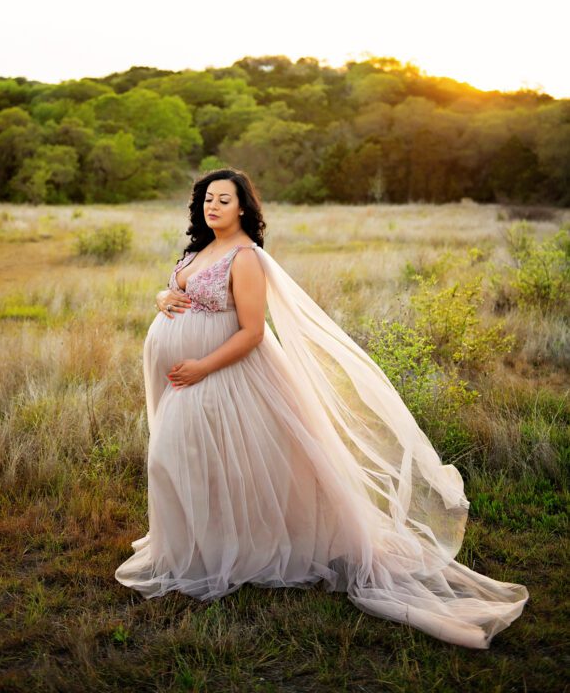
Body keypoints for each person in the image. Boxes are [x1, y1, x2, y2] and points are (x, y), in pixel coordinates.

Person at [115, 168, 529, 649]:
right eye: (208, 199)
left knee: (203, 460)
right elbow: (177, 291)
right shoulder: (196, 249)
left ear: (244, 207)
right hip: (189, 377)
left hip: (223, 375)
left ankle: (236, 552)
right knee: (189, 460)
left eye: (224, 200)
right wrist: (164, 295)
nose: (213, 207)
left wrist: (202, 367)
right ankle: (201, 547)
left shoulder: (246, 257)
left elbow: (250, 333)